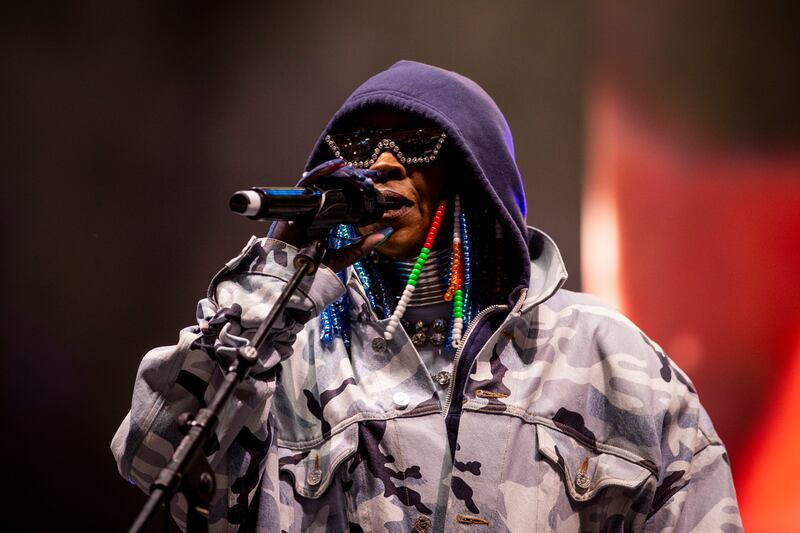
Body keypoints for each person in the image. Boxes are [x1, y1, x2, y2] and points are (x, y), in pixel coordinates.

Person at [112, 60, 743, 532]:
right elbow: (152, 454)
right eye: (359, 148)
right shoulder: (295, 351)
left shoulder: (610, 354)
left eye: (415, 143)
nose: (382, 163)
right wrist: (277, 275)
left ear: (473, 170)